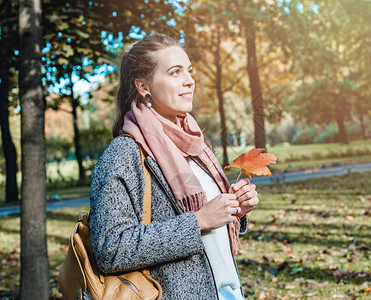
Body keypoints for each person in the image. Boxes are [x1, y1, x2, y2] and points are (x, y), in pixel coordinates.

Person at [89, 33, 259, 299]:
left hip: (227, 292)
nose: (189, 81)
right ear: (143, 86)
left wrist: (237, 210)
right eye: (175, 72)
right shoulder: (124, 154)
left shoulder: (195, 143)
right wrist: (198, 221)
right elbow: (111, 249)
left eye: (189, 71)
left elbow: (211, 237)